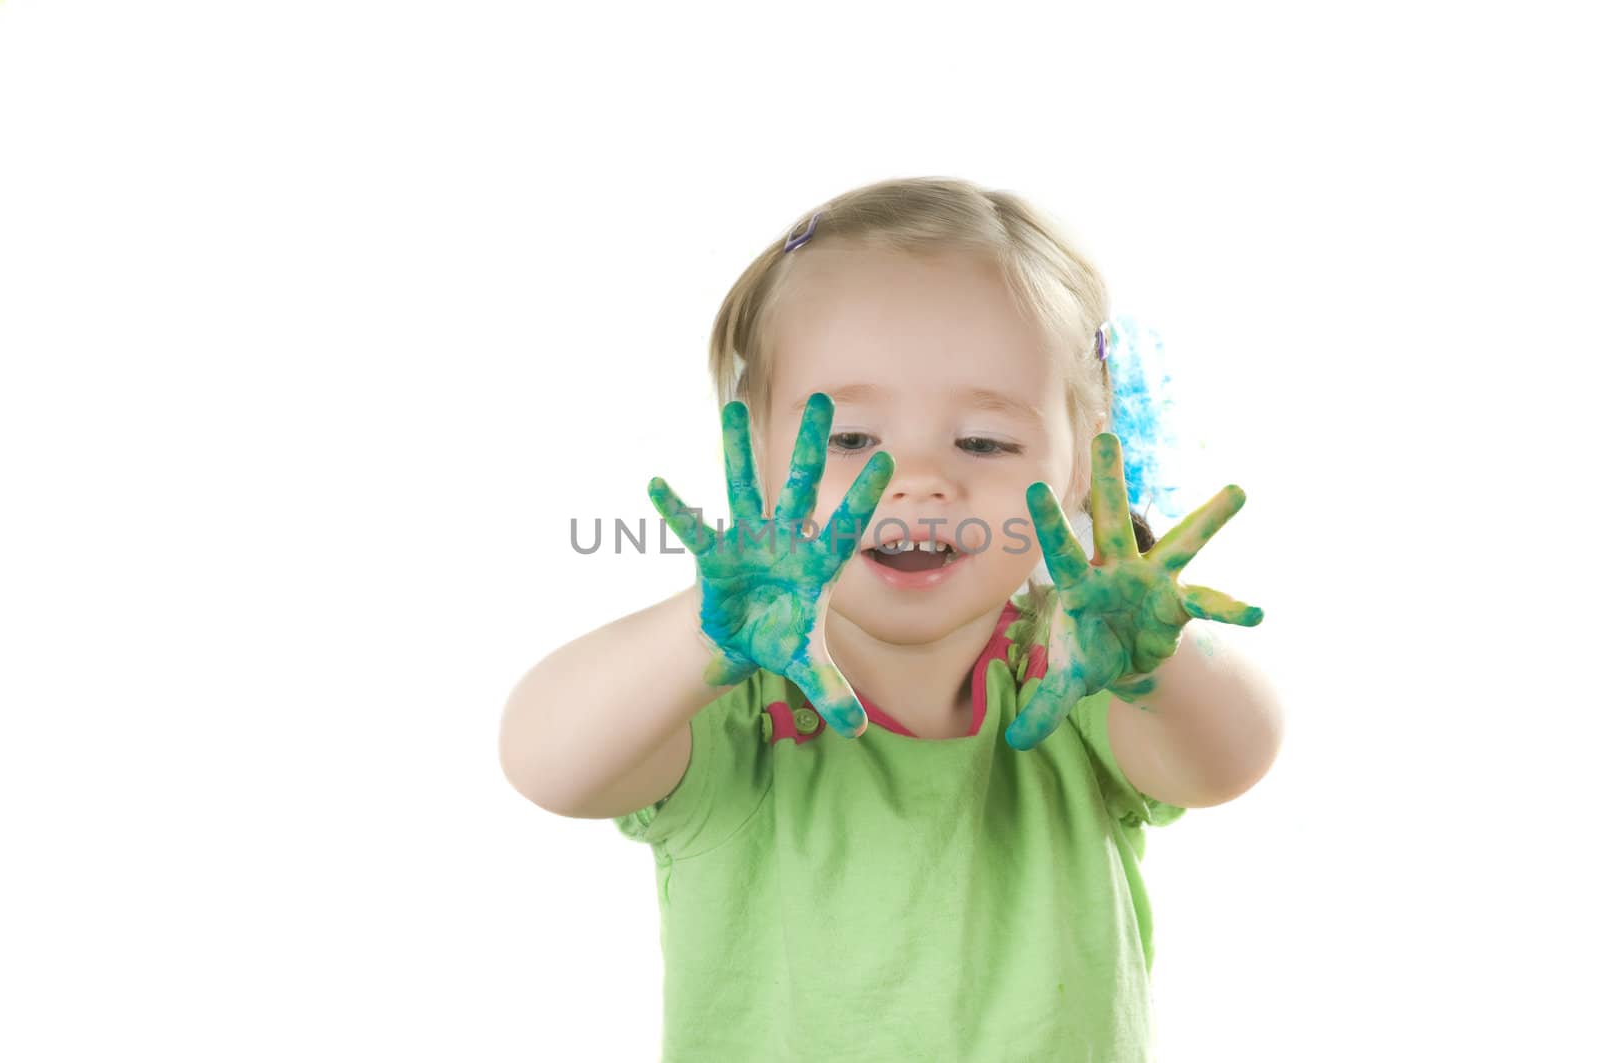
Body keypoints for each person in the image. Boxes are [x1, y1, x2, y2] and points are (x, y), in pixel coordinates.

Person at [499, 175, 1285, 1061]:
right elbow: (543, 762)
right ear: (754, 443)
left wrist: (1154, 666)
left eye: (984, 441)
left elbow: (1231, 760)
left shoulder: (1073, 670)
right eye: (848, 439)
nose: (918, 479)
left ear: (1079, 461)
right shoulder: (735, 701)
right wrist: (701, 638)